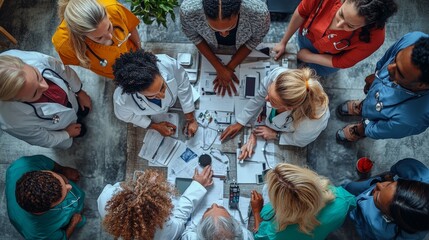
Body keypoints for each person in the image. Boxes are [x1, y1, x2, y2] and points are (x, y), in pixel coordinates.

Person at [336, 32, 429, 142]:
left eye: (399, 72)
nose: (389, 68)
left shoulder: (412, 120)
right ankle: (363, 106)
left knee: (367, 127)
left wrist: (366, 127)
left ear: (422, 85)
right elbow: (388, 56)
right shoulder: (413, 39)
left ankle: (359, 130)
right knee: (370, 102)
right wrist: (377, 74)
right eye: (396, 59)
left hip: (377, 121)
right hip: (375, 96)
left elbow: (378, 130)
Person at [273, 0, 398, 76]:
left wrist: (308, 57)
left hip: (329, 60)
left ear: (368, 24)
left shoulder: (375, 38)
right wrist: (283, 42)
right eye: (341, 14)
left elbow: (342, 61)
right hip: (307, 37)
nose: (339, 25)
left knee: (313, 72)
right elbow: (302, 12)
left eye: (350, 25)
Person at [220, 67, 330, 151]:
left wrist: (276, 135)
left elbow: (299, 140)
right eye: (269, 93)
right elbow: (260, 96)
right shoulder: (279, 76)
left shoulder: (312, 123)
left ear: (289, 108)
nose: (266, 98)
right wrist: (241, 121)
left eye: (272, 101)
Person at [0, 50, 92, 149]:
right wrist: (67, 133)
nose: (46, 86)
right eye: (35, 93)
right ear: (14, 99)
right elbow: (44, 139)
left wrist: (79, 91)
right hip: (61, 129)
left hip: (68, 99)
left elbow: (62, 70)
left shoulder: (28, 60)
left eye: (38, 76)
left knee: (75, 107)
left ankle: (76, 110)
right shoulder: (13, 122)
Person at [180, 0, 270, 96]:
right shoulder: (188, 11)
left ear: (239, 11)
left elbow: (255, 39)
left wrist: (230, 67)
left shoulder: (260, 13)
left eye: (230, 27)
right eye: (214, 29)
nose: (224, 35)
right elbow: (194, 36)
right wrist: (219, 68)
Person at [98, 166, 213, 240]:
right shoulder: (163, 232)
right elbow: (179, 219)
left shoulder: (107, 199)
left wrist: (145, 185)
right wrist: (197, 187)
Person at [251, 163, 356, 239]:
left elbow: (258, 235)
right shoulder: (342, 200)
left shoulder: (275, 233)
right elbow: (353, 203)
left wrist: (256, 212)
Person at [112, 49, 198, 137]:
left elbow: (183, 84)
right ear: (136, 92)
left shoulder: (167, 64)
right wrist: (154, 126)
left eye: (162, 87)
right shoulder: (123, 101)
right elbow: (127, 116)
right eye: (153, 95)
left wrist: (190, 118)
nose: (162, 95)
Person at [52, 0, 141, 79]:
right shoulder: (64, 44)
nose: (109, 37)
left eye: (109, 27)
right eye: (99, 37)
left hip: (133, 51)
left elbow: (131, 27)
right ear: (81, 35)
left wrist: (140, 50)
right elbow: (82, 63)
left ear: (106, 13)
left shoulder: (113, 8)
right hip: (111, 71)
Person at [345, 158, 429, 239]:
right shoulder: (423, 180)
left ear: (388, 217)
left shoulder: (380, 229)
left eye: (377, 198)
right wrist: (391, 174)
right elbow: (404, 164)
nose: (378, 184)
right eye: (392, 184)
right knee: (350, 187)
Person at [5, 155, 85, 239]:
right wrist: (73, 223)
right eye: (62, 196)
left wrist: (64, 170)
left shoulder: (23, 164)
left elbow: (46, 163)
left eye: (59, 178)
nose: (70, 186)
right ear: (41, 212)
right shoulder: (38, 233)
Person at [181, 203, 254, 240]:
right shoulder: (246, 235)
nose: (214, 204)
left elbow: (188, 231)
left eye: (208, 209)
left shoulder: (191, 237)